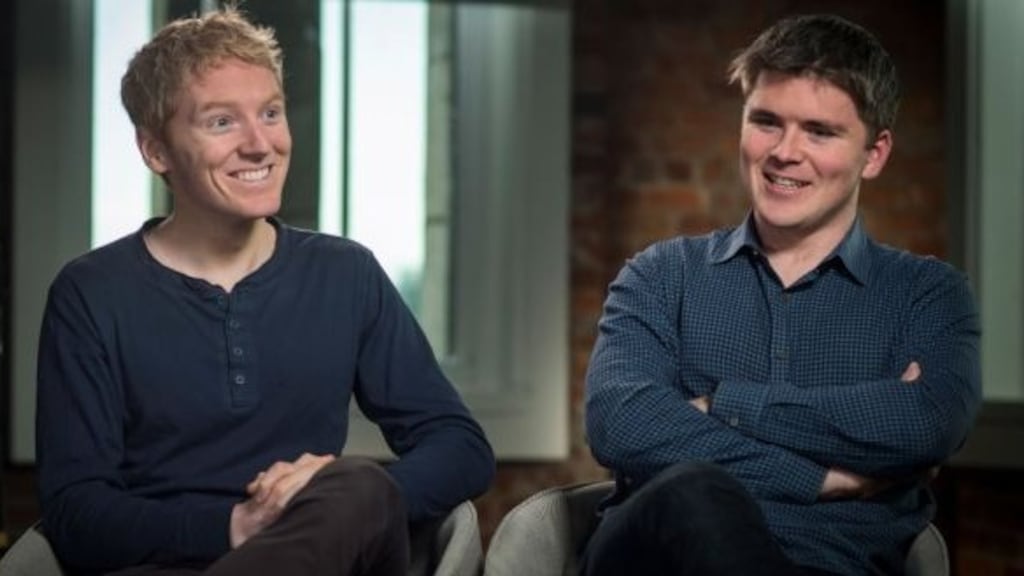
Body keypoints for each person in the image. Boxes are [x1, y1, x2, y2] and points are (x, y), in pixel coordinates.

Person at [35, 6, 494, 576]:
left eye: (270, 113)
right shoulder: (91, 294)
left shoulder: (345, 274)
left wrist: (335, 496)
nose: (260, 144)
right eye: (221, 122)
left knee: (357, 482)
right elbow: (75, 512)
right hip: (169, 565)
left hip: (332, 555)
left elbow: (461, 449)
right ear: (155, 151)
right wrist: (234, 526)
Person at [581, 13, 980, 576]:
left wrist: (725, 405)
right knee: (695, 492)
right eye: (766, 121)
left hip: (831, 566)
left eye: (819, 132)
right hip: (656, 561)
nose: (785, 152)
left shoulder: (929, 296)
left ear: (875, 154)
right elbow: (622, 423)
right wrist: (820, 477)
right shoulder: (660, 275)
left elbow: (926, 424)